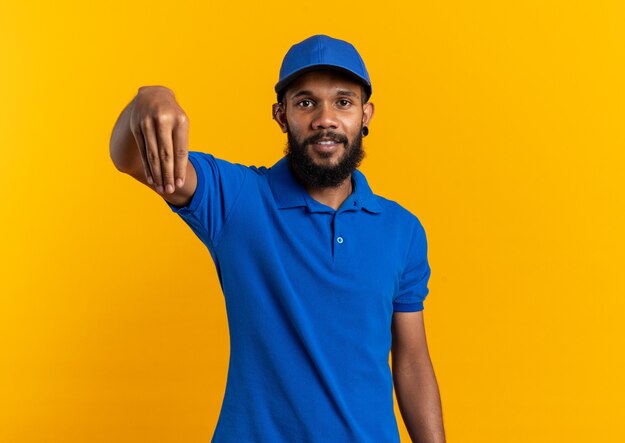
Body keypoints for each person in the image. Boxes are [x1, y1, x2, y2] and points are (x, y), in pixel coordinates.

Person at [110, 34, 445, 443]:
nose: (325, 118)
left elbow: (411, 360)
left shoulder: (402, 229)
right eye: (306, 102)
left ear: (366, 114)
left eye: (343, 102)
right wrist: (151, 96)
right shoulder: (237, 199)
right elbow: (128, 159)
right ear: (281, 115)